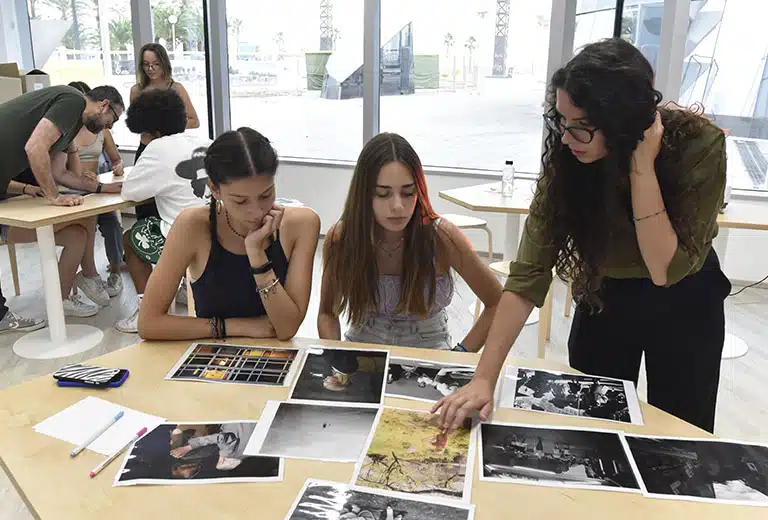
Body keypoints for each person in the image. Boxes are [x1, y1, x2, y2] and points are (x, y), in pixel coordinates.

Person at [433, 38, 731, 434]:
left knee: (680, 435)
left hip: (686, 297)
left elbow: (665, 269)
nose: (565, 137)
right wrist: (483, 379)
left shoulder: (698, 145)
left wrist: (641, 165)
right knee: (592, 427)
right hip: (604, 294)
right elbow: (528, 275)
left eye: (581, 127)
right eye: (561, 121)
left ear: (623, 122)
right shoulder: (568, 158)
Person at [317, 132, 502, 351]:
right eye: (383, 194)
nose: (398, 206)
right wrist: (336, 357)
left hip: (429, 345)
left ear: (419, 191)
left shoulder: (442, 237)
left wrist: (459, 356)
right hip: (363, 342)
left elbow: (497, 302)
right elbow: (327, 313)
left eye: (408, 193)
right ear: (363, 194)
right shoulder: (342, 238)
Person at [136, 127, 321, 341]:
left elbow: (286, 329)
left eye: (266, 195)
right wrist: (237, 327)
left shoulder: (302, 224)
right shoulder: (193, 225)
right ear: (215, 190)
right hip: (213, 352)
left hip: (277, 354)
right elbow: (149, 324)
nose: (257, 211)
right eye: (240, 201)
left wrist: (256, 254)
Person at [0, 84, 124, 319]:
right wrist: (53, 196)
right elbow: (35, 147)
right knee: (84, 218)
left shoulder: (72, 125)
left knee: (78, 234)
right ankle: (89, 274)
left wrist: (101, 188)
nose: (110, 126)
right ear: (104, 105)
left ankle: (62, 299)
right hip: (9, 202)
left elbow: (61, 173)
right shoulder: (73, 100)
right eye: (113, 119)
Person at [116, 88, 211, 333]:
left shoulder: (157, 148)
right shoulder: (206, 142)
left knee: (131, 238)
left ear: (152, 130)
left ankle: (147, 308)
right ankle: (184, 288)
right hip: (221, 232)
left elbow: (130, 193)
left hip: (183, 240)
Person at [130, 42, 200, 221]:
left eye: (155, 64)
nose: (151, 69)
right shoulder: (136, 90)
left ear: (164, 64)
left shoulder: (176, 88)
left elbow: (194, 121)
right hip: (147, 149)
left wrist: (168, 124)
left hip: (171, 150)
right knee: (144, 203)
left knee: (170, 196)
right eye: (146, 65)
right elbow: (135, 122)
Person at [68, 81, 125, 298]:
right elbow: (59, 168)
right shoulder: (66, 129)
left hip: (96, 189)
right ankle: (88, 274)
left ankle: (115, 271)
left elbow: (116, 159)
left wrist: (116, 168)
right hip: (71, 189)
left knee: (112, 224)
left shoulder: (101, 130)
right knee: (84, 228)